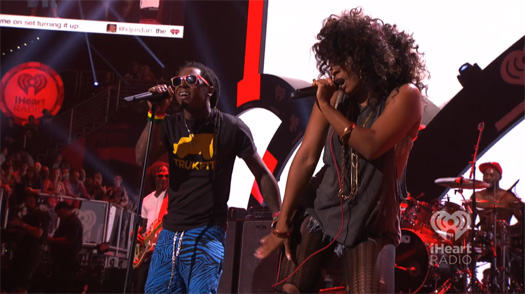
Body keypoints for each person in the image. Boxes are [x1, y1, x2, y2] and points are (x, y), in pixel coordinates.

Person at [255, 8, 427, 293]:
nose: (332, 69)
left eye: (341, 60)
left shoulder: (405, 96)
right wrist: (282, 224)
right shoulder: (335, 98)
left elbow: (371, 145)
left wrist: (325, 107)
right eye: (330, 62)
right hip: (321, 207)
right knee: (289, 289)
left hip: (370, 219)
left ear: (365, 57)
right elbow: (307, 156)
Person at [135, 61, 281, 293]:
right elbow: (142, 160)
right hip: (169, 234)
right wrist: (156, 112)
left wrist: (278, 219)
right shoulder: (169, 125)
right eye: (178, 82)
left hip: (207, 233)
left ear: (209, 89)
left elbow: (262, 174)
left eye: (191, 80)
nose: (183, 85)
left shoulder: (231, 128)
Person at [468, 161, 523, 291]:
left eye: (491, 174)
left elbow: (523, 220)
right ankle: (467, 285)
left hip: (503, 242)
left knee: (504, 254)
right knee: (461, 251)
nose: (487, 177)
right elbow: (469, 221)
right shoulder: (477, 196)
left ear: (499, 177)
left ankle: (504, 287)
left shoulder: (509, 197)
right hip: (482, 241)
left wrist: (509, 230)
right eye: (485, 174)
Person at [132, 161, 169, 293]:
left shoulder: (171, 199)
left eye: (166, 175)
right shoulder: (146, 200)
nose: (164, 178)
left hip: (163, 249)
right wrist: (136, 235)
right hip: (146, 250)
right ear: (153, 178)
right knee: (140, 286)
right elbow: (143, 228)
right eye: (160, 175)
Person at [5, 190, 50, 293]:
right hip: (23, 251)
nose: (28, 204)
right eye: (27, 201)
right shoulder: (28, 215)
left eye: (31, 201)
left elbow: (38, 233)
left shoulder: (41, 215)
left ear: (37, 202)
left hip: (33, 253)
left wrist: (22, 225)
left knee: (24, 282)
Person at [47, 201, 84, 293]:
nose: (58, 216)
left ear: (64, 210)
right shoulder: (67, 221)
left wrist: (53, 240)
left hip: (68, 261)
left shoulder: (73, 222)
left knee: (63, 286)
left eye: (59, 213)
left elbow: (70, 239)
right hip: (63, 260)